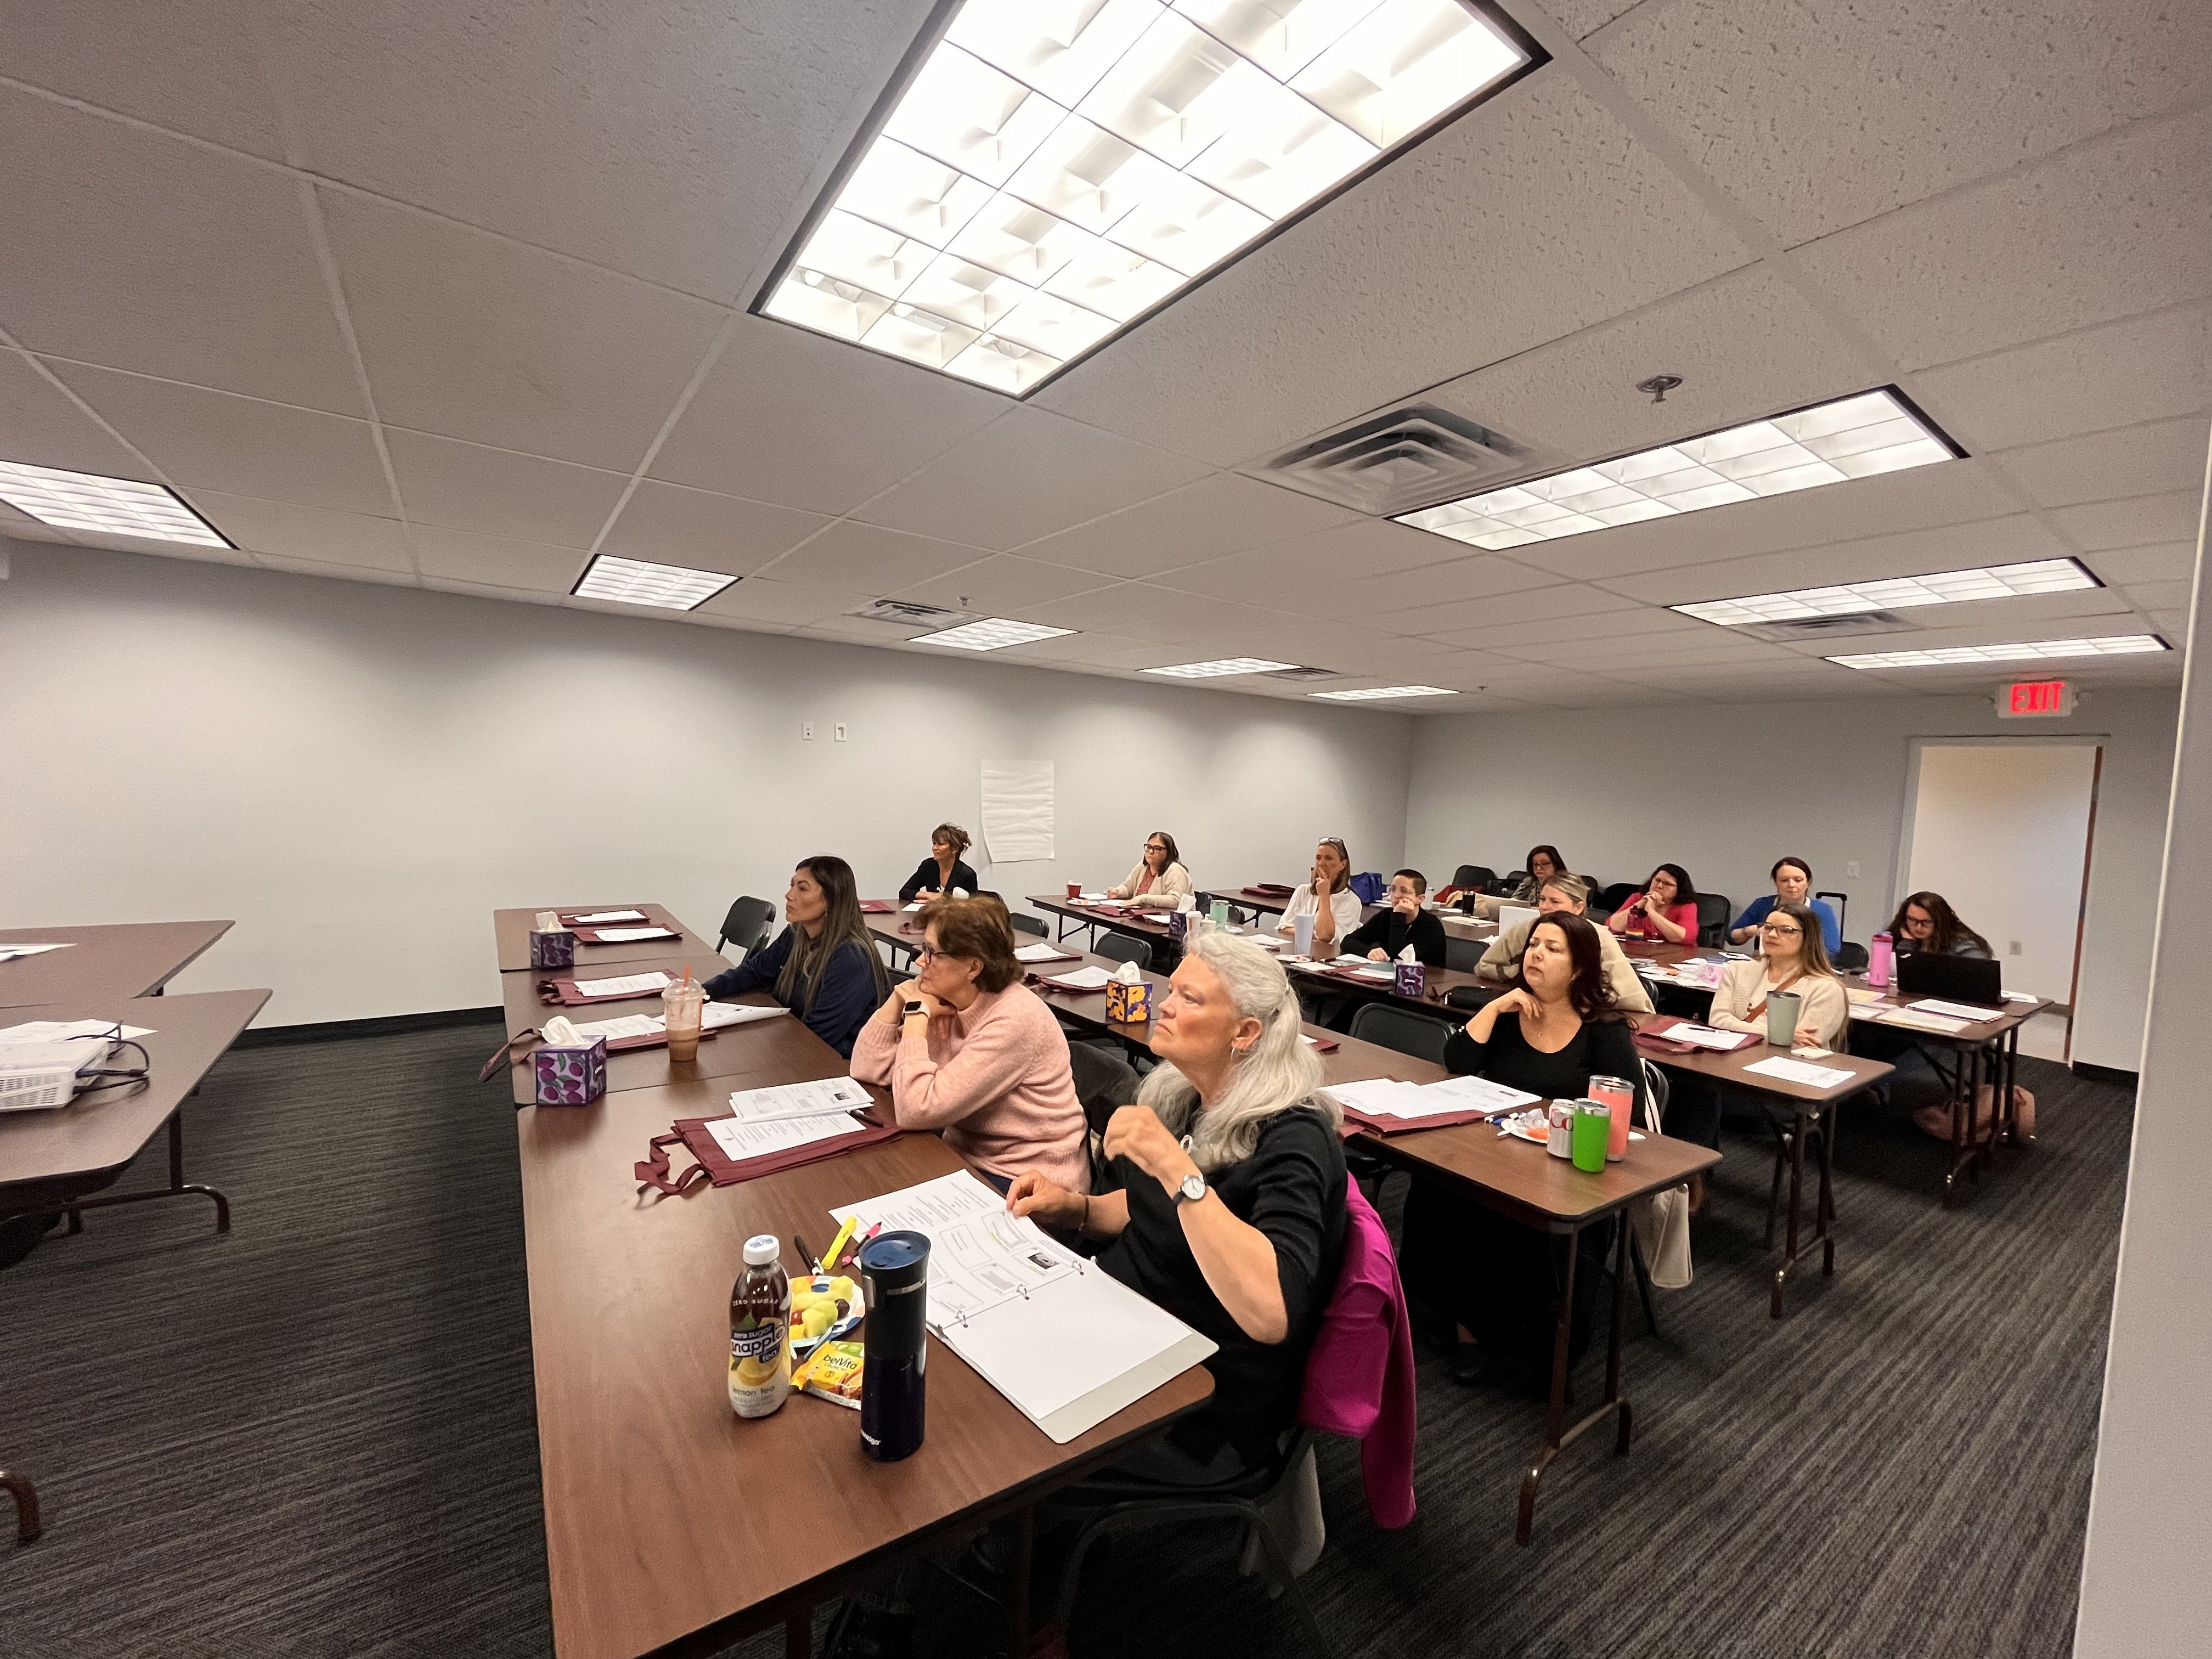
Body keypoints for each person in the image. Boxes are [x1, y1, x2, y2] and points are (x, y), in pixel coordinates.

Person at [1008, 927, 1347, 1481]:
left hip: (1202, 1401)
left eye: (1190, 999)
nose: (1163, 1005)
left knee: (998, 1430)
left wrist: (1176, 1168)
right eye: (1174, 991)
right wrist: (1078, 1210)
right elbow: (1159, 1212)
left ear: (1245, 1032)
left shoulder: (1295, 1138)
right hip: (1136, 1327)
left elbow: (1271, 1313)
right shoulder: (1188, 1094)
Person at [1401, 913, 1643, 1390]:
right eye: (1535, 944)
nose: (1537, 954)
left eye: (1554, 949)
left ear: (1578, 968)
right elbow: (1458, 1063)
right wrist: (1492, 1012)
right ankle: (1448, 1321)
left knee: (1510, 1221)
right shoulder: (1511, 1013)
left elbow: (1624, 1105)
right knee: (1434, 1186)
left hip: (1569, 1166)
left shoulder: (1604, 1029)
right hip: (1500, 1151)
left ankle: (1515, 1346)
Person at [850, 896, 1087, 1195]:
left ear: (973, 967)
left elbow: (915, 1109)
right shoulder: (948, 1000)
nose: (919, 961)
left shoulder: (1013, 1019)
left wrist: (915, 1015)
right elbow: (866, 1070)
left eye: (931, 952)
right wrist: (898, 998)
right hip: (966, 1151)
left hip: (1028, 1178)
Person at [703, 855, 887, 1058]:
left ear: (831, 899)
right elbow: (755, 972)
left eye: (802, 888)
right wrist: (702, 992)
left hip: (836, 1065)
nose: (789, 895)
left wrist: (767, 1047)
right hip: (798, 1047)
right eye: (792, 885)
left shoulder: (850, 957)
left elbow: (820, 1038)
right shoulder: (796, 934)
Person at [1476, 873, 1652, 1013]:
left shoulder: (1598, 937)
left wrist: (1573, 987)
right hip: (1529, 1007)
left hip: (1581, 1014)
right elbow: (1484, 966)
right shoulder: (1526, 928)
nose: (1544, 907)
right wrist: (1528, 974)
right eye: (1543, 899)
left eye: (1554, 902)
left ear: (1578, 907)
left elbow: (1635, 1000)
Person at [1729, 857, 1842, 956]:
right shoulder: (1763, 905)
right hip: (1764, 966)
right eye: (1784, 880)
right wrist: (1747, 932)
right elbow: (1731, 937)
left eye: (1798, 880)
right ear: (1776, 883)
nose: (1792, 885)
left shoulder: (1822, 911)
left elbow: (1831, 950)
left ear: (1808, 882)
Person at [1276, 837, 1362, 955]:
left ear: (1343, 865)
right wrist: (1312, 935)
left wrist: (1324, 895)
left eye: (1329, 858)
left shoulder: (1352, 901)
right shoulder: (1303, 891)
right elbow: (1283, 929)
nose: (1321, 864)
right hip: (1297, 955)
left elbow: (1326, 937)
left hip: (1328, 960)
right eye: (1318, 858)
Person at [1343, 869, 1447, 966]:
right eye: (1393, 890)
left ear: (1420, 899)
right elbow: (1348, 941)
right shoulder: (1386, 915)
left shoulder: (1431, 926)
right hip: (1389, 977)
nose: (1397, 895)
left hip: (1426, 981)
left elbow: (1401, 958)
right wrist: (1368, 952)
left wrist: (1399, 915)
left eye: (1404, 891)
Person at [1607, 863, 1699, 944]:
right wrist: (1643, 902)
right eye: (1657, 880)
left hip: (1675, 955)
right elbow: (1613, 927)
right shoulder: (1637, 898)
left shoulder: (1687, 906)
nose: (1659, 886)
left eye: (1667, 884)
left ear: (1679, 890)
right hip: (1640, 953)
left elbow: (1685, 938)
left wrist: (1651, 912)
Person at [1470, 844, 1567, 919]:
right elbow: (1512, 904)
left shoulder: (1565, 884)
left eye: (1545, 864)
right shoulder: (1529, 881)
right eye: (1535, 864)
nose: (1539, 868)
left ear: (1556, 864)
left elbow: (1566, 913)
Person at [1888, 891, 1994, 957]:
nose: (1918, 927)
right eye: (1912, 920)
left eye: (1925, 922)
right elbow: (1895, 973)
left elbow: (1978, 977)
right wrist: (1907, 943)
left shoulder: (1963, 945)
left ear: (1939, 922)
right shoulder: (1900, 936)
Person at [1108, 831, 1194, 910]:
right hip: (1139, 917)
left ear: (1168, 852)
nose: (1151, 852)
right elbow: (1128, 887)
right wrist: (1118, 892)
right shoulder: (1143, 866)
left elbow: (1176, 900)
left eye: (1157, 848)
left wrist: (1144, 898)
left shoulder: (1176, 871)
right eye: (1148, 847)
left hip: (1169, 923)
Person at [897, 823, 978, 904]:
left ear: (955, 849)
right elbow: (905, 892)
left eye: (941, 844)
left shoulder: (967, 874)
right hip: (932, 915)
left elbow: (975, 906)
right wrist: (930, 896)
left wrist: (943, 899)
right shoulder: (928, 866)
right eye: (934, 844)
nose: (935, 848)